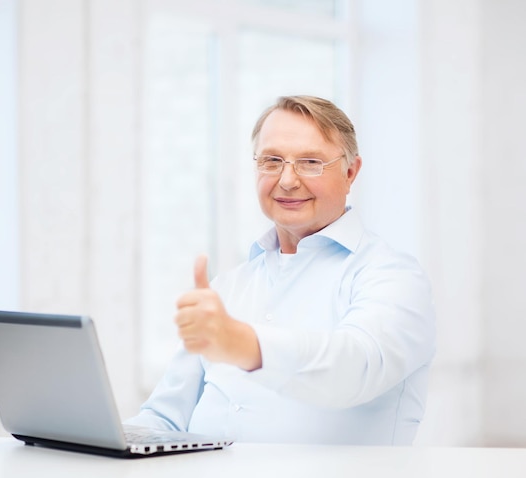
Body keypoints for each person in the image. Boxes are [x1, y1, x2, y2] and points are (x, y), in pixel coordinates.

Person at [126, 95, 435, 445]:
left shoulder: (392, 276)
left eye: (310, 162)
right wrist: (98, 437)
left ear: (351, 172)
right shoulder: (229, 286)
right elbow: (166, 416)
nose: (287, 180)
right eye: (272, 161)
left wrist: (244, 344)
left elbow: (356, 367)